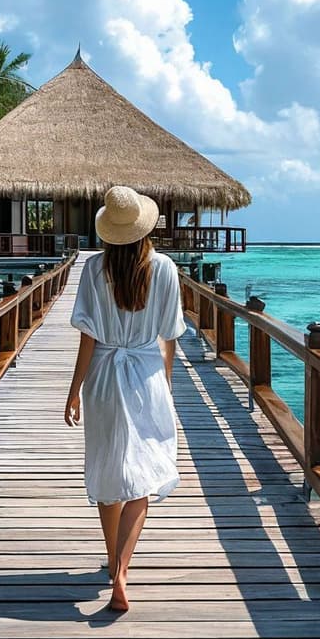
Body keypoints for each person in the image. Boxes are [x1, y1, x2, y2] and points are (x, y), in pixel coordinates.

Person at [64, 185, 187, 612]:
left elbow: (88, 337)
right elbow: (169, 336)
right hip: (147, 373)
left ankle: (113, 558)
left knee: (108, 469)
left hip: (102, 375)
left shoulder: (94, 269)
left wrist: (74, 389)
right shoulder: (166, 269)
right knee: (144, 472)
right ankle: (121, 571)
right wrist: (166, 386)